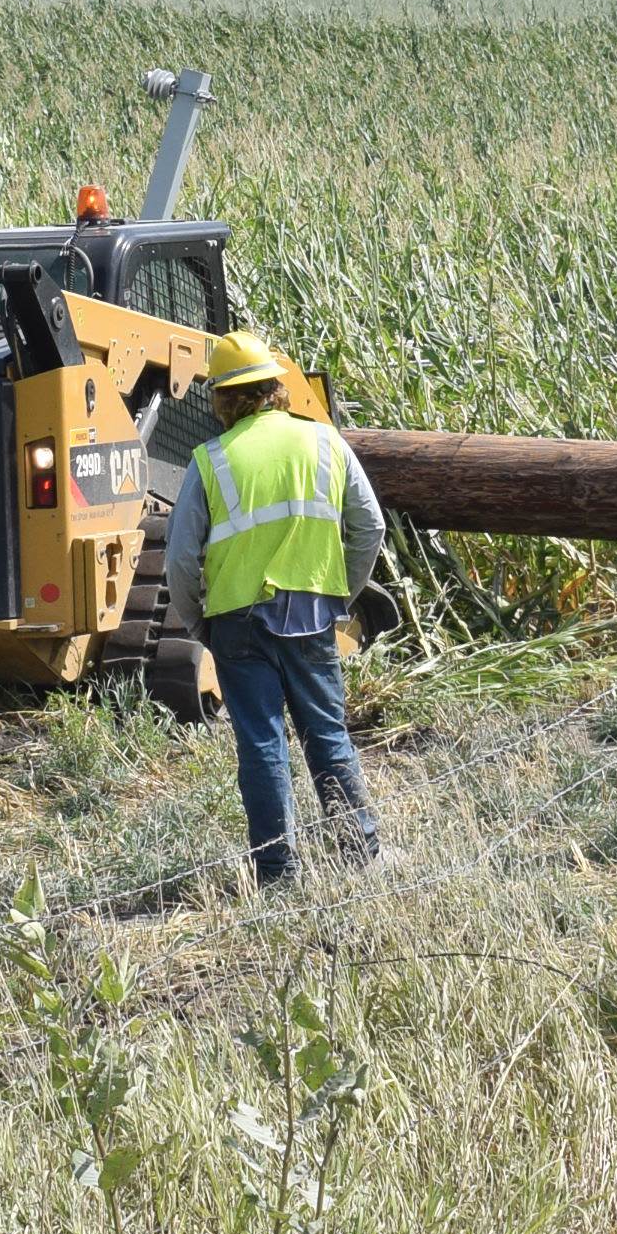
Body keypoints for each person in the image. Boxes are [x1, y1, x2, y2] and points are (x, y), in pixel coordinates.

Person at [165, 330, 386, 885]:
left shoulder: (209, 461)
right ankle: (362, 854)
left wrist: (200, 623)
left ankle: (278, 873)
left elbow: (180, 560)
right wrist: (340, 594)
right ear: (274, 388)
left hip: (236, 626)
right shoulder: (325, 443)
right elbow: (371, 527)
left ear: (223, 398)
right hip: (312, 615)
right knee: (327, 734)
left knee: (263, 744)